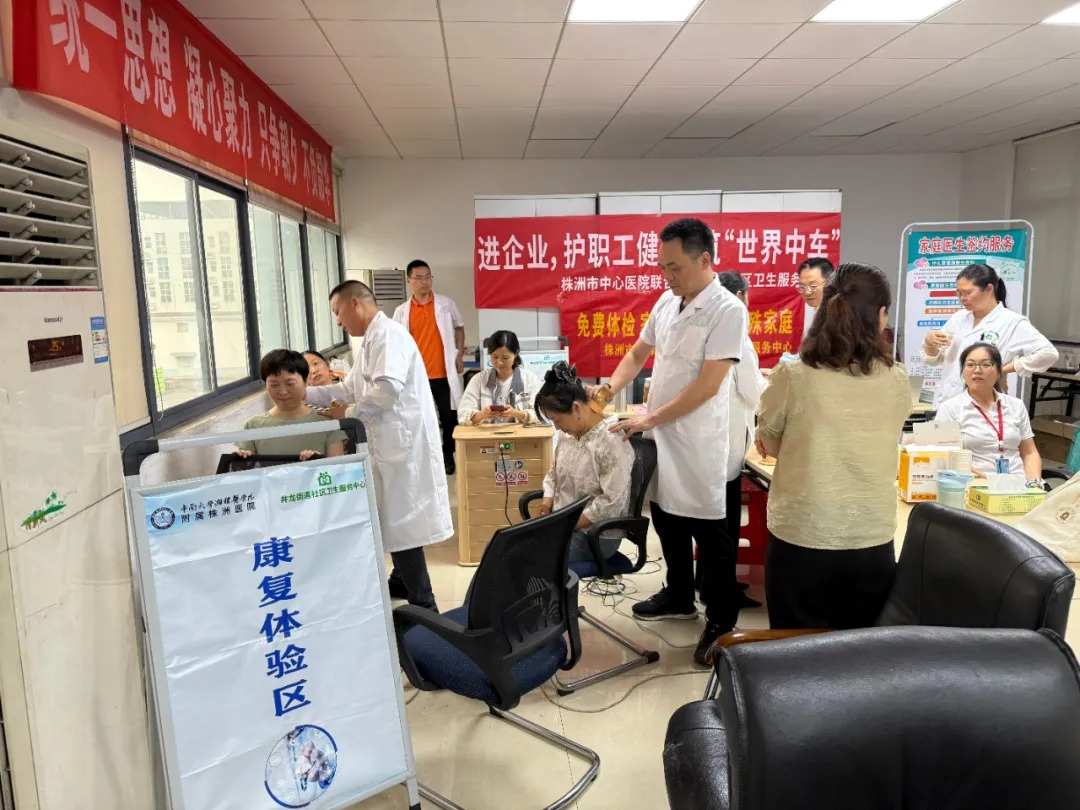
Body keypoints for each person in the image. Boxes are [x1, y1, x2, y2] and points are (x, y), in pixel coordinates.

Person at [601, 217, 748, 666]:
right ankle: (679, 595)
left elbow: (708, 385)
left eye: (675, 267)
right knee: (667, 520)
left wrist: (649, 418)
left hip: (701, 444)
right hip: (663, 434)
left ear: (705, 260)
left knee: (712, 537)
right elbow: (637, 352)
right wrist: (607, 390)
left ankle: (721, 622)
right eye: (663, 267)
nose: (668, 276)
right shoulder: (667, 301)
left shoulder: (727, 310)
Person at [756, 262, 911, 631]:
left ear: (824, 311)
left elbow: (771, 444)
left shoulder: (793, 374)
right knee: (857, 651)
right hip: (870, 536)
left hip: (802, 534)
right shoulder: (896, 378)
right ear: (881, 315)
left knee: (793, 647)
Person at [307, 281, 452, 613]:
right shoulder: (372, 340)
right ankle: (400, 581)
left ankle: (425, 606)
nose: (339, 322)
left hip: (404, 448)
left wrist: (348, 414)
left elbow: (386, 391)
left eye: (338, 313)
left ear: (355, 304)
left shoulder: (388, 335)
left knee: (402, 526)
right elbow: (348, 388)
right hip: (390, 447)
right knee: (393, 520)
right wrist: (305, 394)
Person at [534, 363, 634, 563]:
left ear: (576, 408)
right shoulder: (568, 435)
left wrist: (565, 526)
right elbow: (554, 473)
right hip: (562, 526)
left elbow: (610, 503)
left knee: (531, 558)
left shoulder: (612, 441)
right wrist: (546, 503)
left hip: (596, 536)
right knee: (509, 550)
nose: (557, 428)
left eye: (557, 420)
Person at [922, 263, 1058, 408]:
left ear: (989, 289)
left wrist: (1003, 370)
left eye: (967, 293)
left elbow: (1049, 354)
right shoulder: (958, 318)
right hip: (947, 401)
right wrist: (930, 344)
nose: (962, 298)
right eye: (959, 293)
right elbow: (935, 360)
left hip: (983, 404)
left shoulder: (1012, 322)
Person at [716, 271, 768, 610]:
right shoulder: (738, 338)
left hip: (712, 447)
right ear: (739, 297)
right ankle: (724, 591)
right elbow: (754, 393)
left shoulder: (707, 332)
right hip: (728, 449)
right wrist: (772, 387)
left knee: (712, 525)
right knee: (726, 525)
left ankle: (708, 583)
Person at [392, 259, 466, 476]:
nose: (425, 282)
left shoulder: (446, 304)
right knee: (419, 419)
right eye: (419, 278)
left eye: (428, 277)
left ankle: (447, 455)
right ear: (409, 280)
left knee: (448, 418)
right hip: (416, 376)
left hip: (442, 372)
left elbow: (459, 327)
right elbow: (396, 342)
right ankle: (423, 458)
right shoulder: (401, 312)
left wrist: (459, 355)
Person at [934, 342, 1045, 484]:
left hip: (1020, 484)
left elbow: (1029, 452)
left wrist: (1034, 483)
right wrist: (987, 481)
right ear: (962, 372)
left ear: (999, 372)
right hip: (975, 484)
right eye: (970, 365)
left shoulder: (1016, 405)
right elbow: (944, 457)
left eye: (986, 364)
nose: (977, 370)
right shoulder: (950, 409)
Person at [235, 349, 346, 460]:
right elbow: (244, 468)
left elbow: (339, 467)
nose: (283, 392)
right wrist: (240, 459)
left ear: (305, 382)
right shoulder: (253, 425)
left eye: (290, 384)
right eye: (274, 385)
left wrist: (317, 461)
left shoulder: (327, 422)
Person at [458, 330, 542, 425]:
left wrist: (517, 414)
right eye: (495, 357)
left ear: (515, 354)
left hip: (520, 433)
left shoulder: (530, 379)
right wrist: (482, 415)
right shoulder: (479, 380)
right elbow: (462, 415)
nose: (499, 362)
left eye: (505, 358)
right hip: (486, 433)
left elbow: (541, 414)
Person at [797, 257, 835, 340]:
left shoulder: (843, 315)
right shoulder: (810, 310)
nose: (807, 292)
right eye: (802, 287)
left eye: (813, 286)